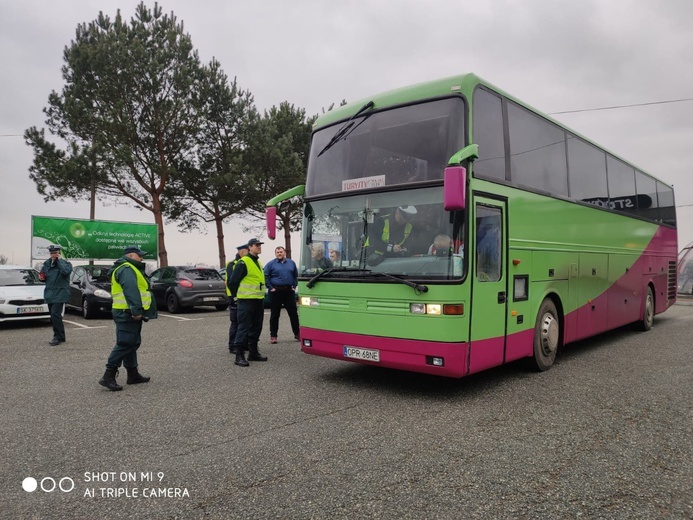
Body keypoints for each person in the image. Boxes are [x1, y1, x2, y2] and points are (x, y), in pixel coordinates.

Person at [98, 245, 158, 391]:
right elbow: (131, 290)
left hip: (126, 311)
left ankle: (133, 374)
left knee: (131, 343)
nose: (141, 258)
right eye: (139, 255)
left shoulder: (128, 268)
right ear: (131, 256)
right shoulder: (127, 269)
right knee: (125, 343)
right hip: (127, 311)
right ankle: (108, 376)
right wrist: (136, 310)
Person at [228, 238, 268, 367]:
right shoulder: (243, 262)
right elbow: (232, 282)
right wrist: (235, 297)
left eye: (260, 245)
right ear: (250, 247)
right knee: (243, 328)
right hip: (246, 301)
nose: (259, 247)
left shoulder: (258, 262)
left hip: (258, 300)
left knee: (257, 327)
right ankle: (239, 355)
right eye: (257, 245)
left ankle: (253, 353)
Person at [264, 246, 300, 344]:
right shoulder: (271, 264)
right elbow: (265, 276)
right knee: (275, 315)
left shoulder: (291, 263)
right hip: (276, 292)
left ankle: (297, 333)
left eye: (281, 252)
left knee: (293, 314)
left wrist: (294, 286)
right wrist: (271, 288)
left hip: (289, 291)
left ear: (284, 252)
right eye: (277, 252)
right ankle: (273, 336)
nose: (279, 253)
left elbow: (296, 276)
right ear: (275, 254)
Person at [40, 245, 73, 346]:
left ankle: (57, 337)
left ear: (59, 253)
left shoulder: (66, 264)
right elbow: (43, 276)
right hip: (50, 293)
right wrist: (41, 278)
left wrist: (60, 261)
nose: (53, 255)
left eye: (55, 253)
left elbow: (66, 272)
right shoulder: (46, 264)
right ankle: (61, 336)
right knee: (54, 316)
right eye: (52, 253)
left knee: (55, 315)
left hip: (60, 293)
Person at [226, 243, 249, 354]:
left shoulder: (247, 262)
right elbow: (231, 281)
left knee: (244, 322)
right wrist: (235, 297)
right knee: (235, 322)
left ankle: (243, 344)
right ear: (241, 252)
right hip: (234, 297)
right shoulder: (232, 264)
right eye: (247, 251)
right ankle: (232, 345)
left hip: (244, 297)